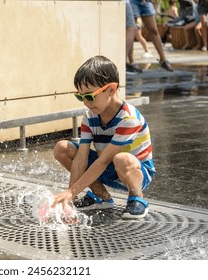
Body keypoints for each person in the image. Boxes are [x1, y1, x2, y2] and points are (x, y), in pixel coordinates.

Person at [51, 55, 156, 219]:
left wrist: (71, 192)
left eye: (89, 96)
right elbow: (81, 158)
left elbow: (103, 161)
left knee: (122, 159)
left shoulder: (128, 119)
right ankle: (101, 197)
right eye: (80, 96)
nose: (85, 102)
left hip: (136, 171)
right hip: (108, 168)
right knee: (63, 149)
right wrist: (70, 197)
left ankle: (137, 199)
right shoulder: (90, 116)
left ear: (112, 89)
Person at [131, 0, 174, 71]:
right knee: (131, 31)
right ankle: (131, 62)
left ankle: (163, 60)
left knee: (154, 30)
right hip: (133, 1)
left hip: (146, 2)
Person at [126, 0, 143, 75]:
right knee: (131, 28)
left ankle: (129, 61)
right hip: (124, 2)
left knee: (129, 30)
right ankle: (123, 64)